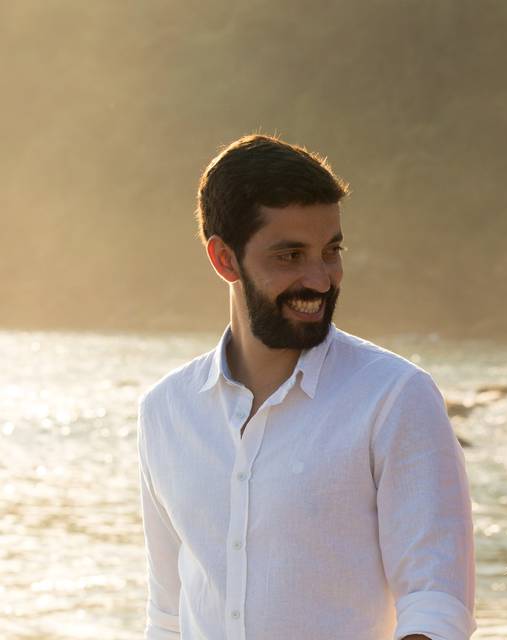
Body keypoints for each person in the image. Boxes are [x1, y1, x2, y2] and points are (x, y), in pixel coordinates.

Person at [137, 134, 475, 640]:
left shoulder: (395, 397)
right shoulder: (165, 412)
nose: (320, 279)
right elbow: (167, 613)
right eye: (290, 256)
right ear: (224, 259)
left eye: (331, 251)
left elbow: (435, 602)